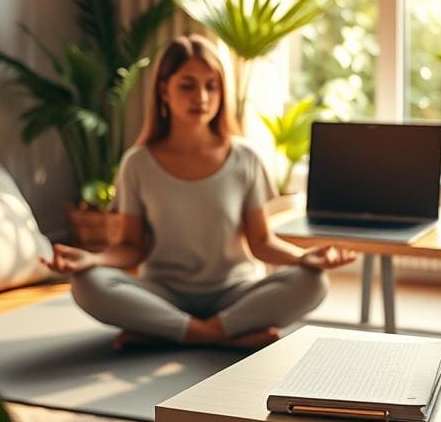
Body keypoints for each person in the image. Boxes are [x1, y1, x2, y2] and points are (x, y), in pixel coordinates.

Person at [42, 34, 356, 350]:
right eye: (187, 85)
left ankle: (169, 332)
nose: (202, 97)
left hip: (234, 293)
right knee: (86, 283)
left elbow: (261, 243)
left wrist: (304, 257)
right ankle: (219, 335)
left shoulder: (245, 158)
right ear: (164, 90)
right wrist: (92, 259)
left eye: (212, 85)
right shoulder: (137, 163)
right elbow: (129, 246)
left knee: (313, 282)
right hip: (162, 294)